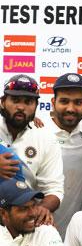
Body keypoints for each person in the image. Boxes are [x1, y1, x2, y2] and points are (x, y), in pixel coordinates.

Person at [41, 73, 82, 237]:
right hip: (41, 230)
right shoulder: (37, 130)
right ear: (53, 102)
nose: (71, 108)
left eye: (78, 102)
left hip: (79, 234)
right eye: (64, 101)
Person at [0, 74, 64, 226]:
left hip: (21, 223)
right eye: (15, 100)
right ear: (2, 102)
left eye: (28, 102)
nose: (21, 107)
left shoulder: (47, 139)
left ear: (36, 106)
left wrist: (41, 210)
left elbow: (54, 190)